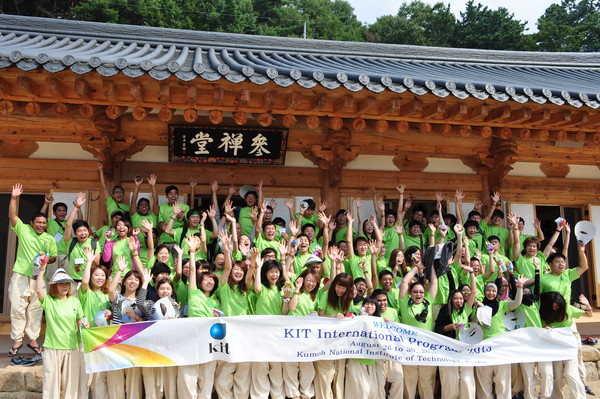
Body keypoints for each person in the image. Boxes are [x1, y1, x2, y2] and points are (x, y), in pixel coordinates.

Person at [8, 183, 58, 358]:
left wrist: (46, 259)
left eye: (44, 223)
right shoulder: (24, 230)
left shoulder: (50, 238)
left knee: (36, 310)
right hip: (21, 275)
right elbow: (12, 216)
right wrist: (14, 198)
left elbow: (54, 256)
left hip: (39, 278)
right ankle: (17, 340)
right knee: (17, 307)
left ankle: (33, 339)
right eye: (38, 222)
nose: (41, 225)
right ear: (32, 223)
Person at [35, 264, 88, 399]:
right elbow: (38, 290)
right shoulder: (49, 301)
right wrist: (42, 270)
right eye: (60, 283)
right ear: (54, 285)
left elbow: (79, 319)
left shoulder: (75, 301)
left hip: (72, 348)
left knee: (70, 385)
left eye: (67, 283)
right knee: (51, 384)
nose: (64, 286)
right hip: (52, 347)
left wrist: (84, 323)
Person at [214, 231, 253, 399]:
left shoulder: (246, 288)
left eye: (241, 271)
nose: (238, 272)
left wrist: (252, 263)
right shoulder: (224, 286)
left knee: (243, 368)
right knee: (226, 366)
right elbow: (228, 267)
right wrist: (227, 249)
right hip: (227, 331)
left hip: (244, 331)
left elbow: (250, 273)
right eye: (235, 270)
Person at [475, 278, 525, 399]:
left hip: (500, 346)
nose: (490, 293)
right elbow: (474, 323)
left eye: (493, 291)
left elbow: (516, 303)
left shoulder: (502, 305)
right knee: (484, 380)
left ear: (496, 293)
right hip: (483, 346)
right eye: (488, 290)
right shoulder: (477, 306)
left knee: (503, 380)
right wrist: (481, 310)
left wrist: (520, 288)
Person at [398, 255, 438, 399]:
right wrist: (416, 267)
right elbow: (404, 281)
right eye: (415, 292)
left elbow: (434, 282)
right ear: (410, 293)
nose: (418, 294)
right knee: (409, 384)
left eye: (421, 292)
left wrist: (430, 264)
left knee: (426, 384)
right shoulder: (404, 303)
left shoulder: (428, 302)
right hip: (408, 349)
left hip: (426, 350)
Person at [107, 255, 145, 398]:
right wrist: (119, 271)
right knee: (116, 380)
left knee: (133, 381)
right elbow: (111, 290)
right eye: (129, 278)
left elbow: (143, 323)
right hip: (116, 343)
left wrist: (136, 317)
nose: (132, 281)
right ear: (124, 282)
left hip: (134, 344)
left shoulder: (141, 301)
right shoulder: (118, 298)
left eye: (136, 279)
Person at [282, 268, 320, 399]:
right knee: (291, 367)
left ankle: (306, 394)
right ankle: (293, 395)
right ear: (303, 279)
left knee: (308, 368)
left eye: (314, 281)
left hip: (306, 338)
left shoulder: (313, 297)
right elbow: (291, 308)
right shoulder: (293, 290)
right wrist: (297, 288)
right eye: (309, 280)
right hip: (291, 334)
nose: (311, 283)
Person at [79, 246, 111, 399]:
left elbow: (112, 314)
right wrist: (89, 262)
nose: (99, 278)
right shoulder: (86, 293)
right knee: (85, 375)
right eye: (96, 275)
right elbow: (84, 282)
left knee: (100, 376)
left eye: (103, 275)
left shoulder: (107, 295)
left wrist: (110, 313)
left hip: (102, 338)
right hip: (86, 337)